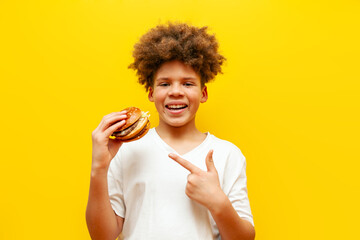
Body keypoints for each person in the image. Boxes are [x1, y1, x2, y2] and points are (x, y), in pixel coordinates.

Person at [86, 22, 255, 240]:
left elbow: (244, 237)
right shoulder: (126, 151)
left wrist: (218, 202)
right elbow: (102, 236)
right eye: (165, 84)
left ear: (203, 93)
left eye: (187, 84)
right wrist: (98, 167)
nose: (175, 91)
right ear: (151, 93)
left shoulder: (227, 154)